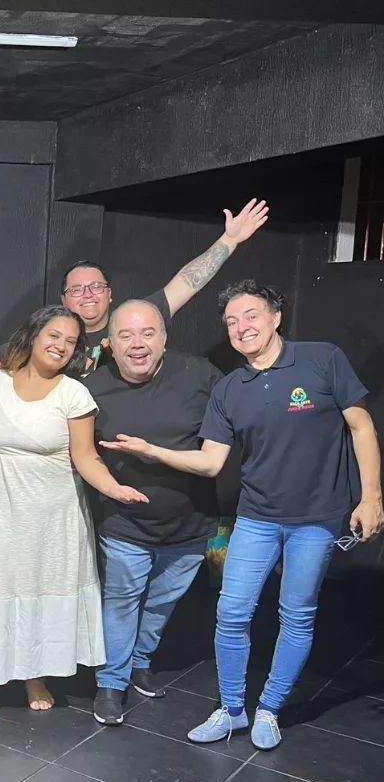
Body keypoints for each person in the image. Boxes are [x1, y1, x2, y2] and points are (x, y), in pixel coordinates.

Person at [100, 280, 382, 750]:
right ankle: (232, 709)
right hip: (256, 517)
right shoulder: (230, 388)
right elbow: (211, 462)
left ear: (275, 316)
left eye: (251, 315)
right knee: (231, 613)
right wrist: (152, 451)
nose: (241, 327)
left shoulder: (322, 359)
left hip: (315, 520)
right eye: (231, 321)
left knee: (296, 615)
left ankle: (269, 708)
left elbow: (362, 426)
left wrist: (371, 497)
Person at [0, 306, 147, 719]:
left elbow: (86, 457)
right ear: (32, 336)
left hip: (52, 518)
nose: (61, 346)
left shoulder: (73, 394)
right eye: (54, 335)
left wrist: (114, 488)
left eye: (70, 341)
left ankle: (36, 678)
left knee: (40, 592)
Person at [0, 198, 269, 376]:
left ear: (110, 293)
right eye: (77, 290)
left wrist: (229, 240)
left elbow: (187, 282)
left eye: (96, 286)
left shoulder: (132, 321)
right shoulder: (47, 334)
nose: (88, 294)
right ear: (64, 300)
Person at [85, 300, 223, 725]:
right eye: (125, 335)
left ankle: (140, 661)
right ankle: (111, 682)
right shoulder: (91, 388)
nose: (137, 343)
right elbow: (77, 450)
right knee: (121, 601)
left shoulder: (200, 375)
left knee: (162, 603)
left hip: (190, 522)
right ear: (110, 344)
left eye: (147, 333)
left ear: (164, 339)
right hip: (124, 522)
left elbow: (236, 424)